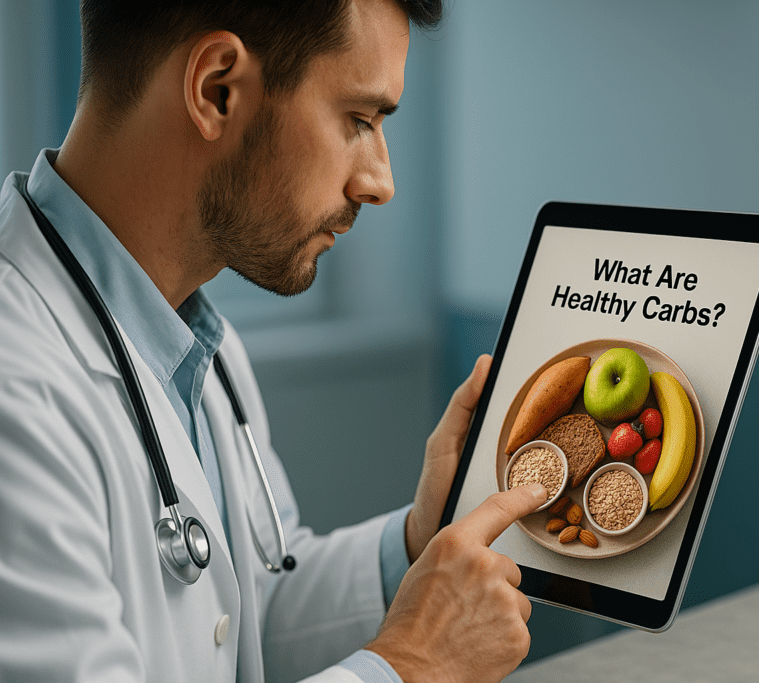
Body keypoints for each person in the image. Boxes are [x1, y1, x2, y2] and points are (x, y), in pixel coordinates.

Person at [0, 1, 546, 681]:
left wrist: (418, 545)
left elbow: (245, 615)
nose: (380, 182)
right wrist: (412, 664)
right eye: (360, 120)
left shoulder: (196, 342)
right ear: (216, 90)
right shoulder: (16, 387)